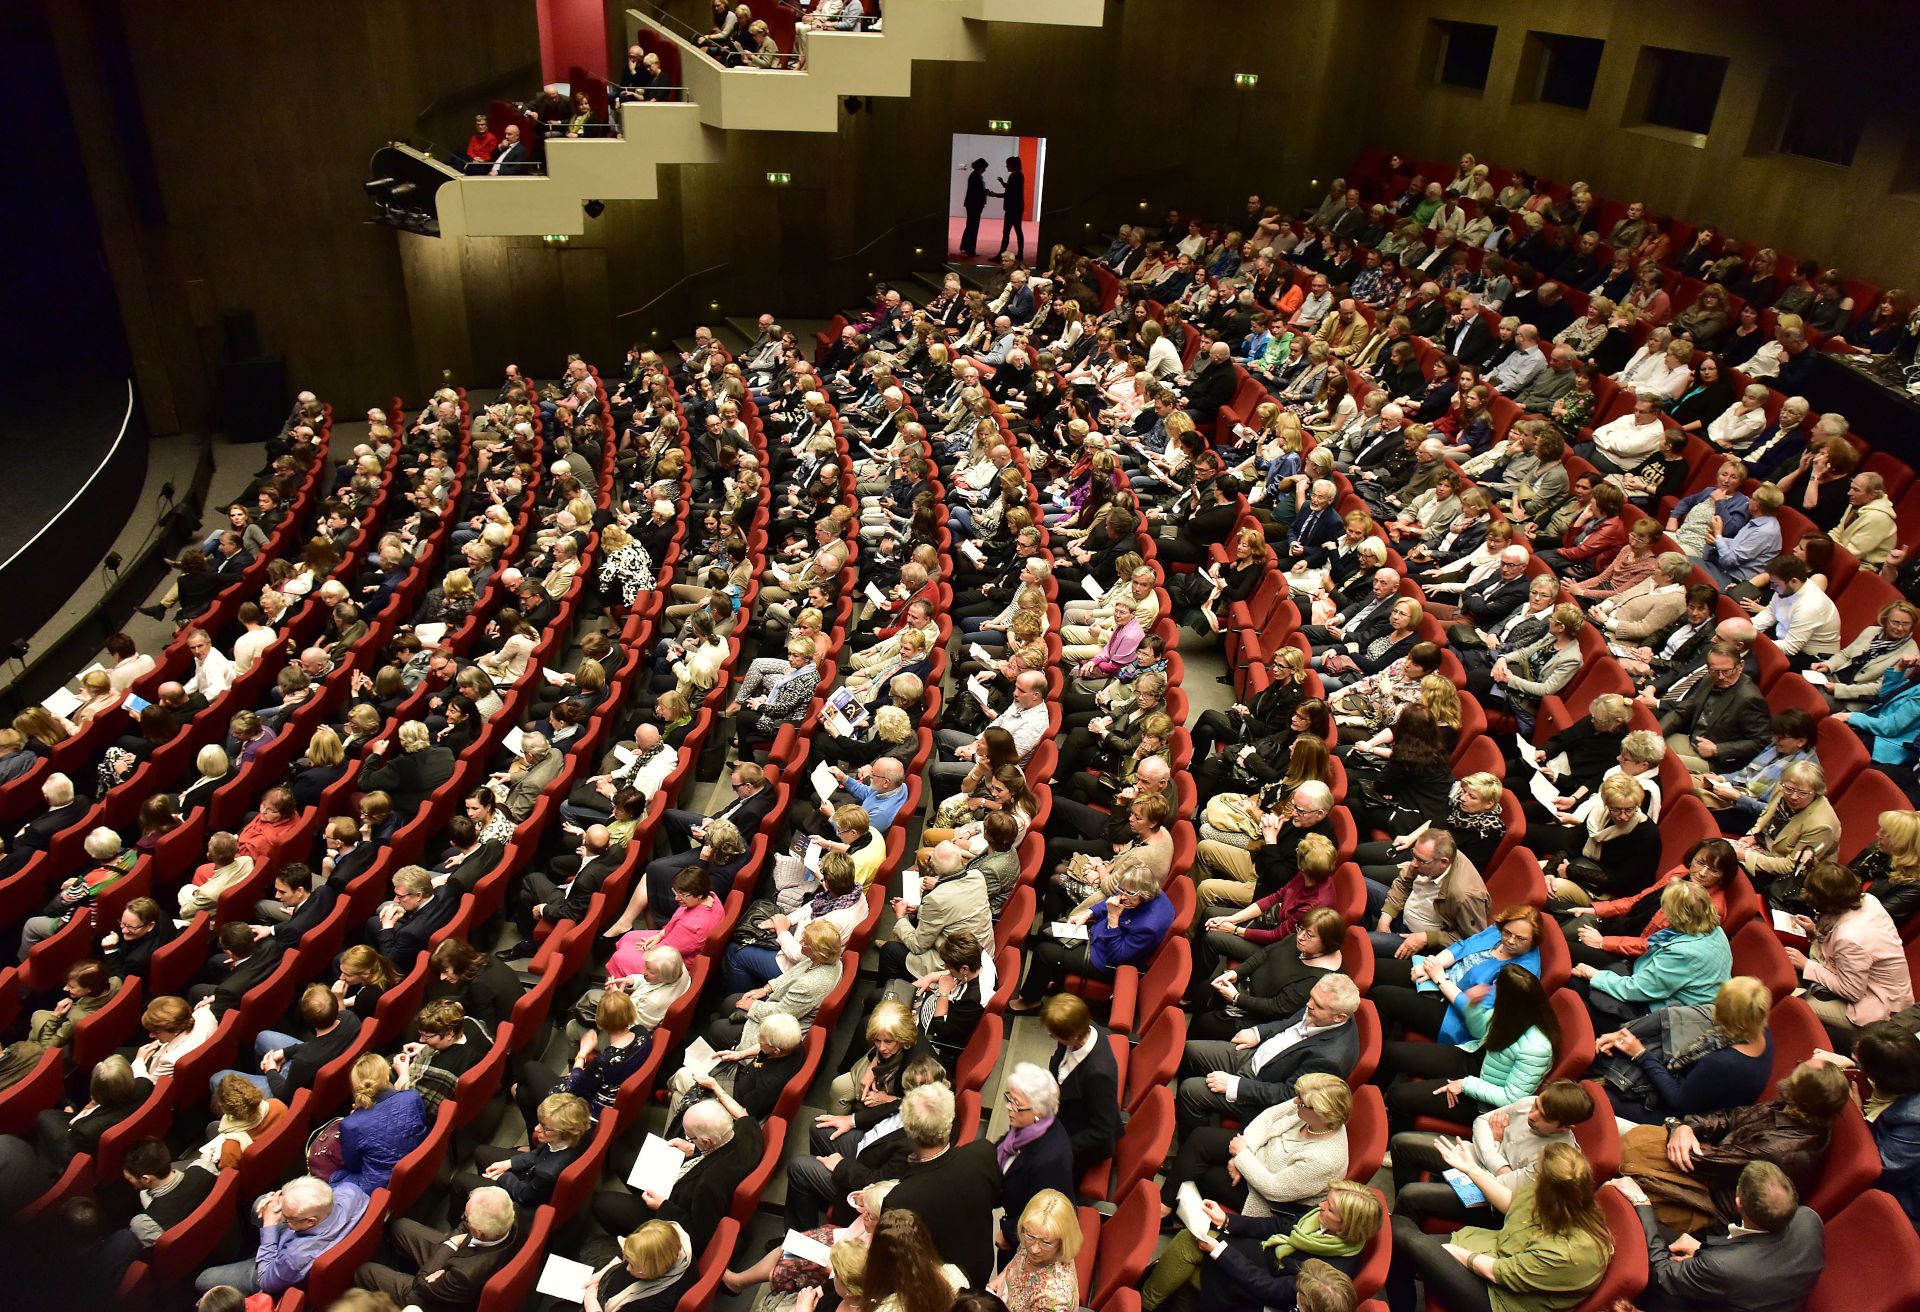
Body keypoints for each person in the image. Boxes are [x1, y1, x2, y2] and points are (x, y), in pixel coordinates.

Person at [1616, 1060, 1850, 1233]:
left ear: (1802, 1094)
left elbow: (1705, 1163)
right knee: (1629, 1139)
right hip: (1708, 1159)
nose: (1793, 1067)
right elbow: (1731, 1117)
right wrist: (1689, 1127)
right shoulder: (1794, 1107)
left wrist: (1676, 1127)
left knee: (1625, 1162)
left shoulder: (1783, 1150)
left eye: (1798, 1069)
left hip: (1712, 1200)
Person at [1384, 1141, 1612, 1312]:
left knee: (1403, 1236)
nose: (1533, 1171)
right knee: (1400, 1231)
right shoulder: (1567, 1200)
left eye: (1537, 1168)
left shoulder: (1572, 1253)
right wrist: (1471, 1169)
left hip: (1500, 1299)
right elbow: (1513, 1205)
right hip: (1493, 1251)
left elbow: (1497, 1272)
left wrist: (1452, 1253)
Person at [1610, 1160, 1824, 1312]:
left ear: (1738, 1202)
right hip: (1763, 1292)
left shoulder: (1721, 1266)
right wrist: (1704, 1248)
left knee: (1634, 1241)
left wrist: (1641, 1201)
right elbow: (1757, 1251)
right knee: (1658, 1233)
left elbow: (1662, 1276)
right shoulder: (1809, 1219)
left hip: (1714, 1299)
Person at [1390, 1080, 1597, 1230]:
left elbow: (1504, 1188)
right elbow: (1481, 1122)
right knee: (1402, 1143)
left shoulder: (1554, 1156)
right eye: (1537, 1106)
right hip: (1477, 1159)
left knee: (1412, 1195)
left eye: (1544, 1117)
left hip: (1493, 1201)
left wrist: (1495, 1143)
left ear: (1563, 1128)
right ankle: (1408, 1219)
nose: (1532, 1115)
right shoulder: (1531, 1103)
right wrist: (1498, 1159)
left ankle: (1400, 1235)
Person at [1174, 973, 1363, 1131]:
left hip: (1260, 1089)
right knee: (1189, 1049)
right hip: (1258, 1057)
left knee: (1191, 1090)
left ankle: (1192, 1138)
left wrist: (1235, 1085)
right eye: (1312, 997)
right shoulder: (1323, 1009)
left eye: (1318, 1005)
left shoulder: (1330, 1058)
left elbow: (1288, 1096)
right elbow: (1288, 1023)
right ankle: (1188, 1111)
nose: (1309, 1005)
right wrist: (1258, 1032)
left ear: (1340, 1017)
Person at [878, 1084, 1003, 1288]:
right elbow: (996, 1199)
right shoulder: (983, 1153)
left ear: (908, 1131)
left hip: (939, 1288)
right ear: (951, 1123)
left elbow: (894, 1264)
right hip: (981, 1270)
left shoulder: (899, 1200)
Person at [1784, 860, 1915, 1046]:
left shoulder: (1850, 937)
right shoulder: (1867, 900)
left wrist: (1807, 965)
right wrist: (1816, 930)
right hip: (1870, 985)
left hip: (1877, 1009)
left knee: (1794, 1004)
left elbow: (1851, 991)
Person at [1569, 880, 1731, 1028]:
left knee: (1574, 1000)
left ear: (1677, 915)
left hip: (1660, 1018)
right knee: (1575, 982)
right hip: (1654, 988)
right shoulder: (1715, 931)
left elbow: (1636, 990)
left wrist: (1593, 975)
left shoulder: (1685, 953)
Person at [195, 1174, 373, 1295]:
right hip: (330, 1240)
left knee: (204, 1279)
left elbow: (265, 1280)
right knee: (261, 1203)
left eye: (286, 1217)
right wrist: (288, 1200)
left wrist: (269, 1226)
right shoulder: (351, 1191)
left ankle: (257, 1250)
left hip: (279, 1266)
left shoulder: (293, 1259)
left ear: (310, 1221)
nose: (282, 1217)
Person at [354, 1185, 522, 1312]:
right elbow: (464, 1228)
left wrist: (451, 1245)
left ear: (478, 1232)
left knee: (365, 1271)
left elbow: (420, 1285)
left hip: (434, 1297)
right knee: (399, 1227)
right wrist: (453, 1244)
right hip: (456, 1257)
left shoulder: (464, 1276)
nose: (463, 1218)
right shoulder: (509, 1216)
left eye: (466, 1216)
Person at [994, 1064, 1076, 1253]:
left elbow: (1040, 1216)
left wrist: (1008, 1234)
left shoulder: (1048, 1161)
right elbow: (1003, 1147)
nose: (1009, 1107)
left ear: (1038, 1112)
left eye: (1017, 1104)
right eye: (1010, 1099)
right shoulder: (1029, 1128)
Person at [959, 158, 990, 258]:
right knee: (973, 226)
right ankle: (970, 249)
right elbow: (977, 192)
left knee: (970, 225)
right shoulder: (976, 176)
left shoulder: (975, 175)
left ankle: (965, 246)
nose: (985, 170)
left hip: (972, 204)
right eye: (984, 167)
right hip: (975, 204)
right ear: (980, 167)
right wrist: (986, 192)